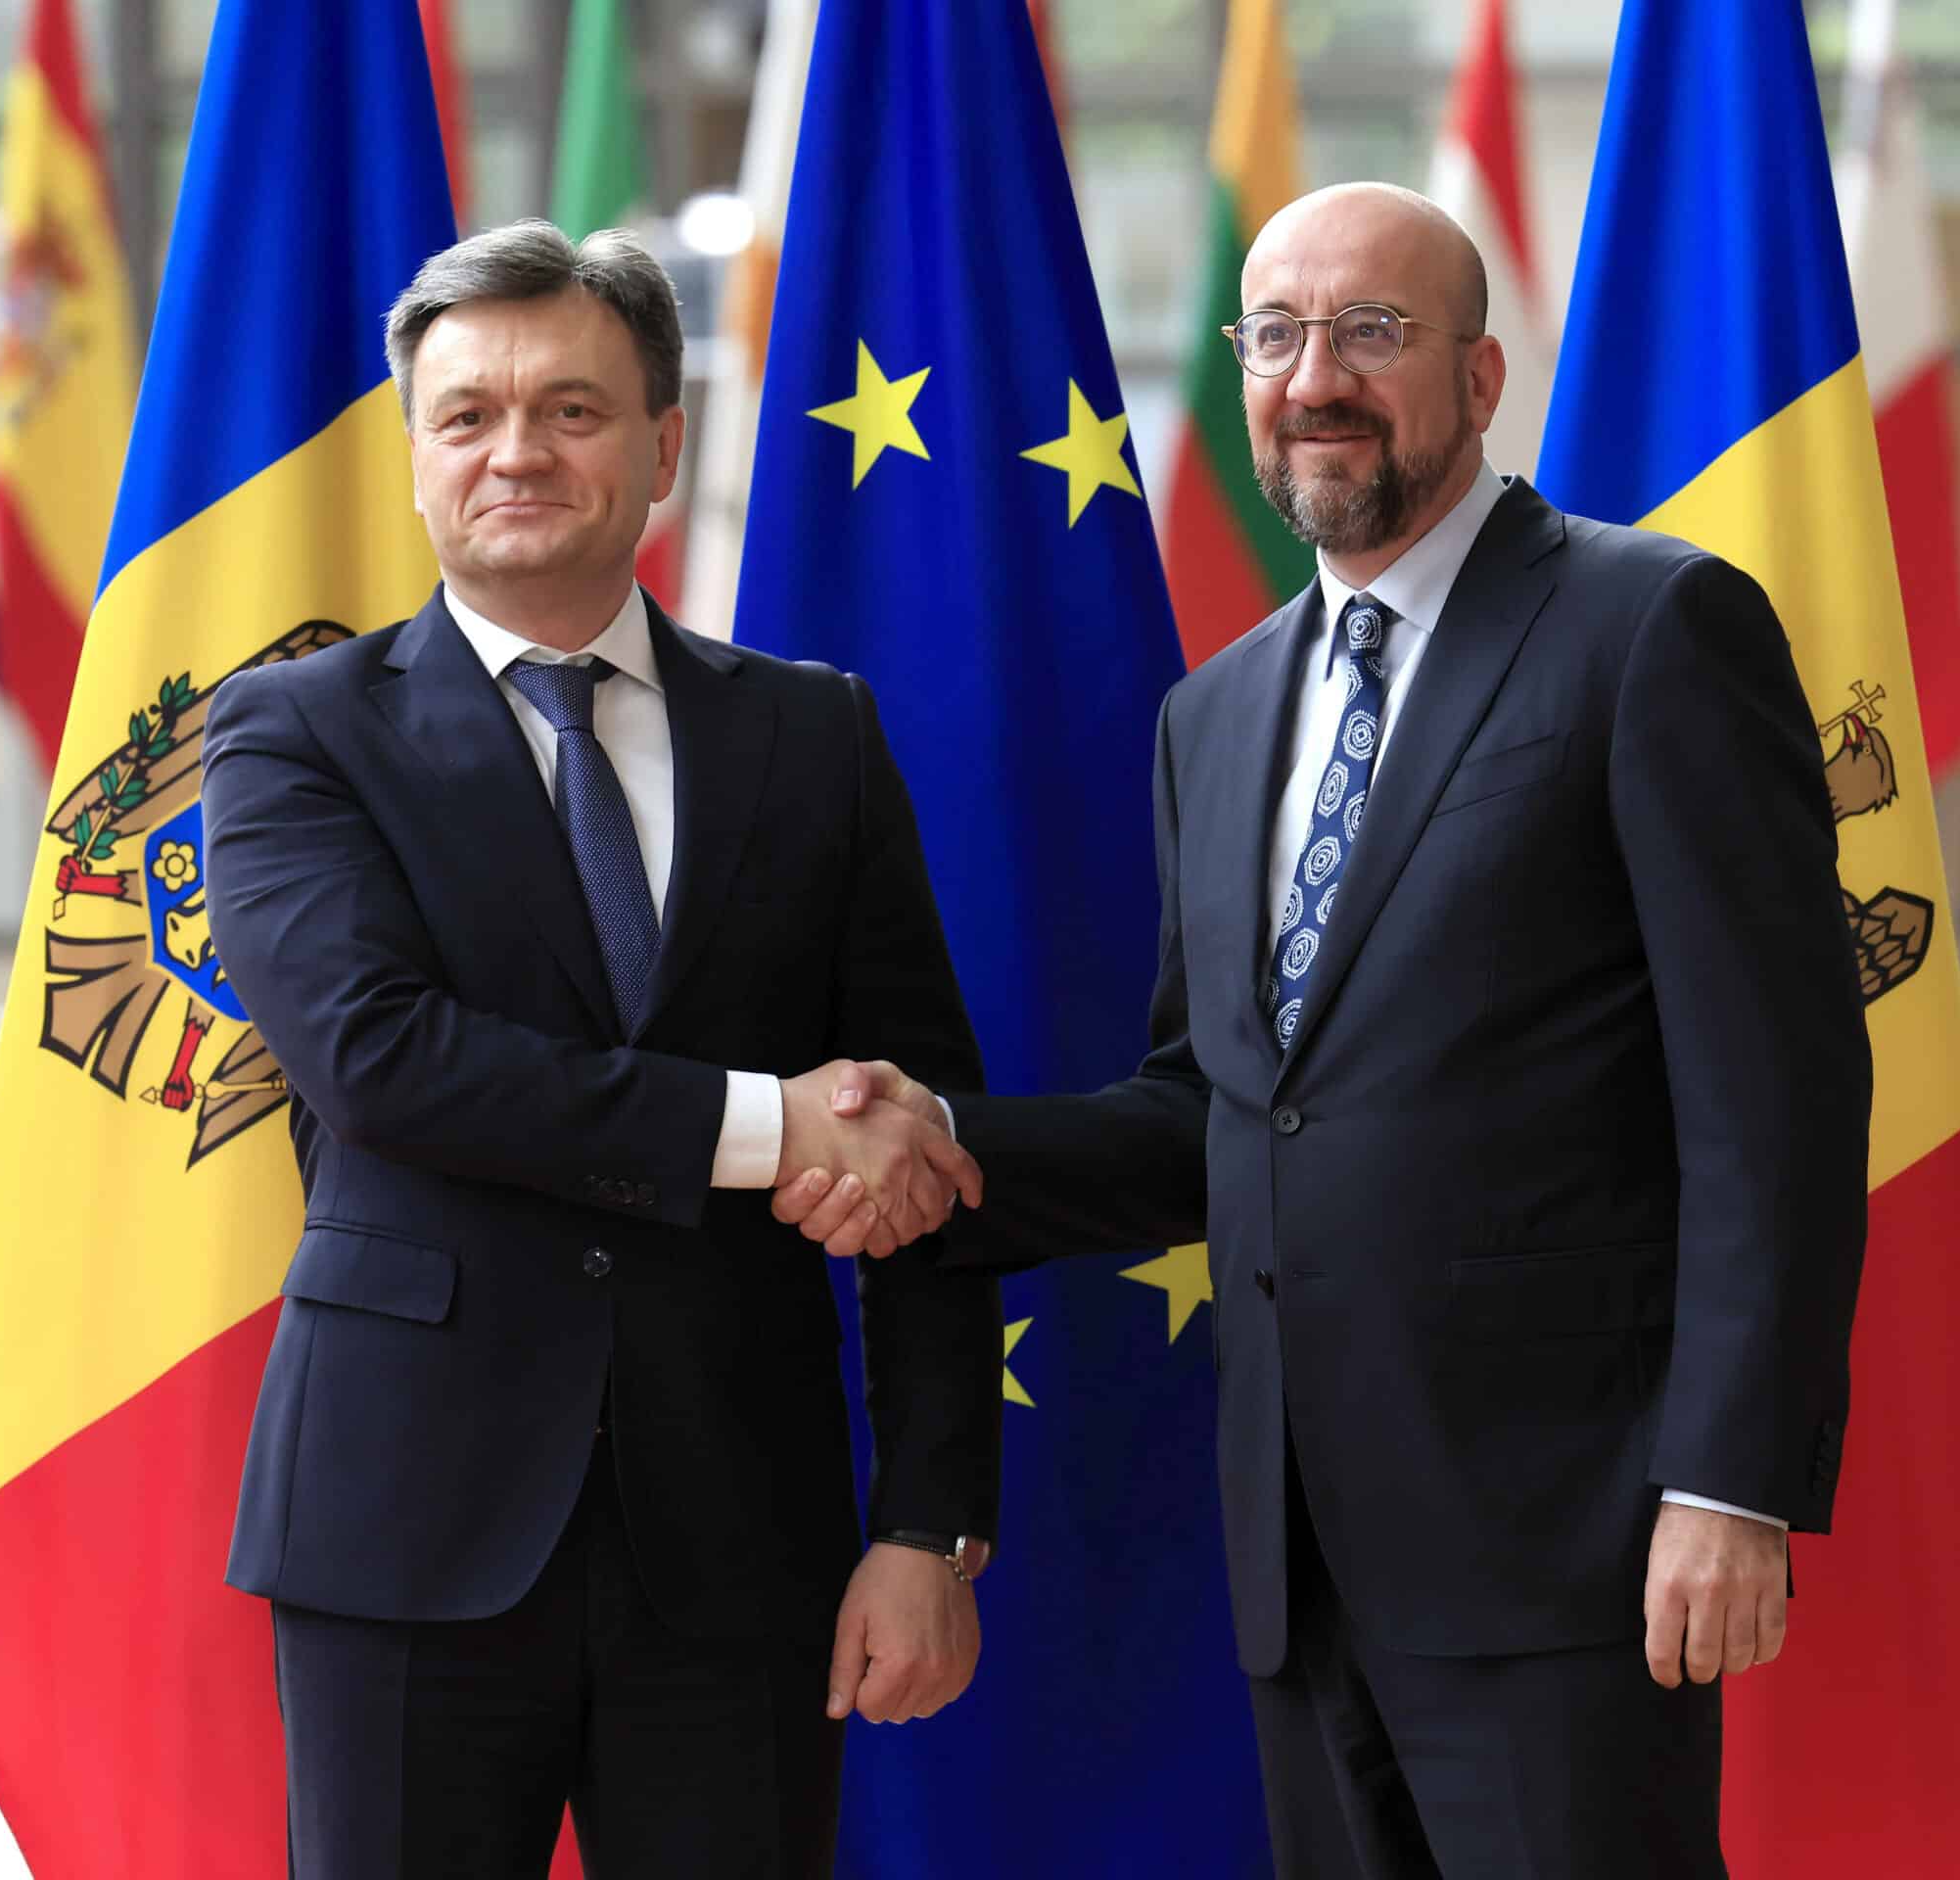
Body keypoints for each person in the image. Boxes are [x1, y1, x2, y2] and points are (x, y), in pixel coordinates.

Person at [778, 183, 1873, 1877]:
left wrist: (1731, 1487)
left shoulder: (1653, 628)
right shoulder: (1211, 716)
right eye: (1276, 334)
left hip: (1569, 1546)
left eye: (1373, 331)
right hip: (1299, 1556)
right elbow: (1211, 1113)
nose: (1316, 376)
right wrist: (930, 1148)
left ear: (1483, 373)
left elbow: (1776, 1097)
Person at [201, 220, 999, 1880]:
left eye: (571, 409)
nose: (515, 451)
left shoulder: (813, 733)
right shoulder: (291, 733)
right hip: (404, 1524)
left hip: (742, 1530)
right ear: (413, 454)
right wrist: (773, 1129)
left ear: (663, 445)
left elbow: (922, 1140)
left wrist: (929, 1522)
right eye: (466, 414)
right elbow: (380, 1060)